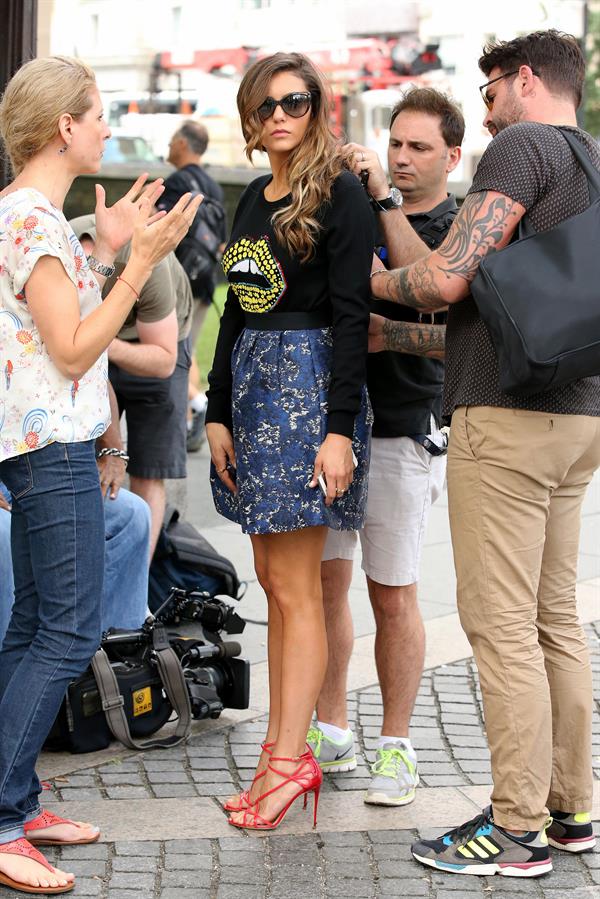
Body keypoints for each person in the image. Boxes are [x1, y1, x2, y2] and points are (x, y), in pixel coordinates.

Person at [370, 30, 600, 878]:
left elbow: (447, 281)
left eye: (493, 84)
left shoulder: (523, 148)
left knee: (501, 629)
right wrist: (387, 328)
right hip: (578, 417)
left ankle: (514, 830)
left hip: (505, 427)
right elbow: (495, 322)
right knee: (553, 625)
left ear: (528, 79)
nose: (489, 102)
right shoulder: (592, 160)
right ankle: (570, 810)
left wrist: (372, 283)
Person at [0, 55, 200, 894]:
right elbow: (76, 347)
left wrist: (110, 244)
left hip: (49, 441)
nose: (107, 125)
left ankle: (16, 796)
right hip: (49, 446)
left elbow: (62, 332)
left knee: (38, 621)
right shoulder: (33, 221)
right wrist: (134, 262)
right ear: (62, 127)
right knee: (69, 628)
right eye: (98, 112)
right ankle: (4, 817)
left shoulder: (37, 216)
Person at [205, 52, 373, 830]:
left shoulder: (340, 191)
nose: (280, 114)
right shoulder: (252, 197)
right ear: (249, 113)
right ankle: (278, 750)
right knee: (273, 581)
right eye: (266, 103)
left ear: (317, 108)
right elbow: (233, 310)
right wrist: (214, 409)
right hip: (252, 392)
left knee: (300, 586)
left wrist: (338, 431)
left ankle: (289, 762)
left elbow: (351, 320)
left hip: (307, 398)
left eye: (296, 101)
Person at [309, 88, 464, 808]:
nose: (401, 158)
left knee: (393, 593)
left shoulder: (460, 225)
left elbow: (437, 298)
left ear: (452, 157)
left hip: (403, 425)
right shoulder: (357, 207)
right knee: (325, 585)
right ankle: (332, 727)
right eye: (395, 144)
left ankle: (396, 747)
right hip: (337, 423)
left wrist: (383, 203)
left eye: (420, 147)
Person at [70, 214, 194, 556]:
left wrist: (99, 340)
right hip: (92, 343)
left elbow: (164, 359)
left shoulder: (146, 264)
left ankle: (137, 589)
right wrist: (110, 447)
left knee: (148, 470)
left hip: (156, 342)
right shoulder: (56, 251)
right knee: (90, 458)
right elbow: (84, 367)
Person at [158, 121, 228, 452]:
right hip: (205, 282)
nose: (169, 146)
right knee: (186, 347)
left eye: (172, 139)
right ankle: (189, 415)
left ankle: (197, 405)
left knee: (172, 349)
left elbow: (162, 230)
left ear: (184, 143)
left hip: (178, 280)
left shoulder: (175, 184)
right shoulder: (214, 187)